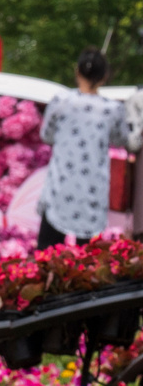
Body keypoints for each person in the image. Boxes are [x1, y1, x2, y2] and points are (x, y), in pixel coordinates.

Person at [39, 48, 125, 251]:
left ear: (77, 72)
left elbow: (46, 135)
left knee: (48, 250)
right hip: (92, 191)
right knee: (89, 258)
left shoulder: (62, 101)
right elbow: (121, 139)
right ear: (104, 76)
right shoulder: (111, 109)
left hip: (60, 186)